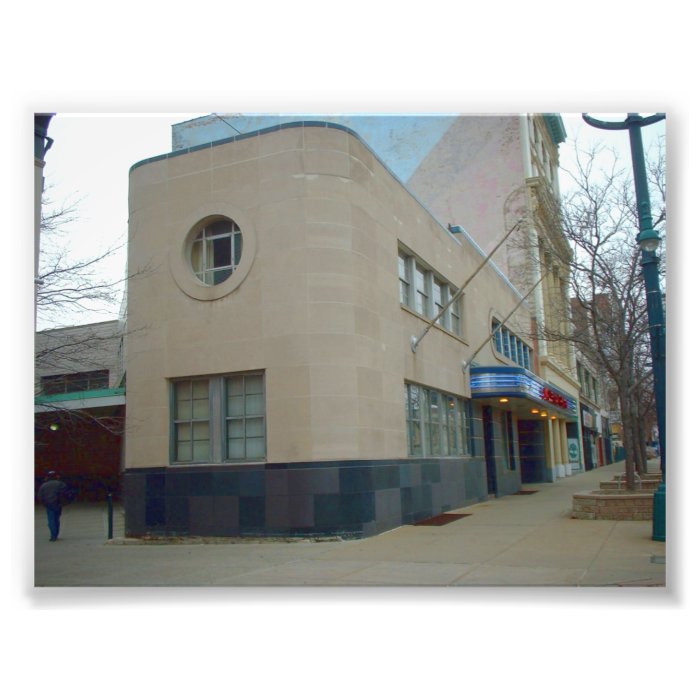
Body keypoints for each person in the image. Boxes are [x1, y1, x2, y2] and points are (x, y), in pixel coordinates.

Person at [37, 471, 73, 542]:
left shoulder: (44, 485)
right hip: (57, 504)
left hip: (48, 504)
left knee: (51, 520)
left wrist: (44, 503)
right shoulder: (60, 484)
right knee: (56, 519)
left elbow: (40, 496)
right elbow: (67, 493)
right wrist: (65, 502)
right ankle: (55, 534)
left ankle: (53, 535)